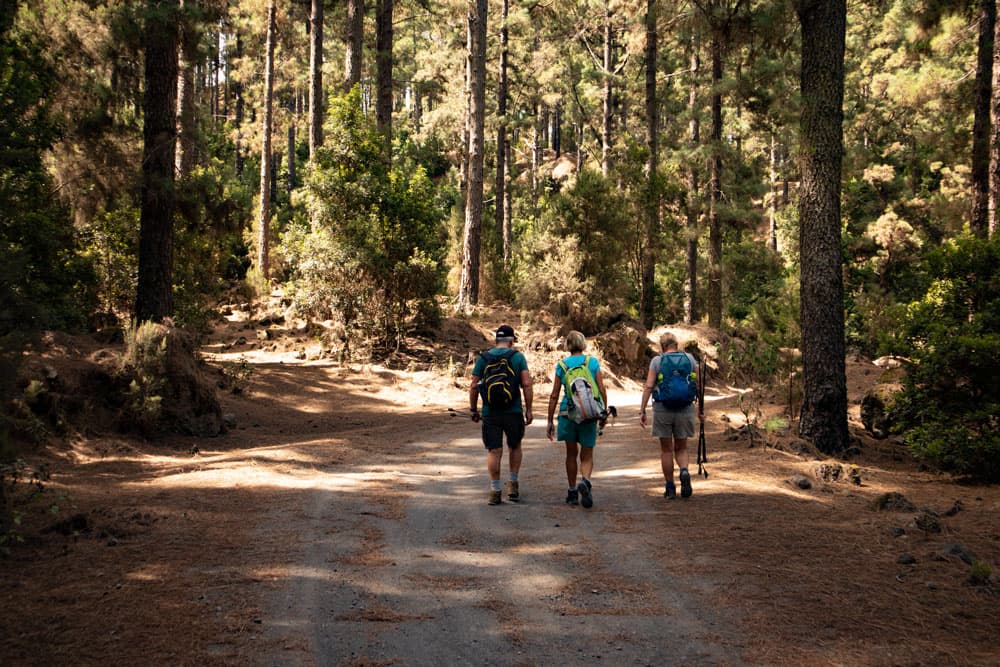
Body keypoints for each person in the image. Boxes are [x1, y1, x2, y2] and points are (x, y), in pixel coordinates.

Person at [470, 325, 534, 505]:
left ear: (496, 340)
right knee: (515, 446)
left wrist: (473, 409)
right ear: (511, 340)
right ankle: (513, 485)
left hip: (491, 413)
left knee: (494, 450)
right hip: (513, 411)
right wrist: (529, 409)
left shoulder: (483, 358)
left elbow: (474, 386)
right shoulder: (518, 357)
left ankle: (495, 490)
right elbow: (527, 384)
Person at [545, 331, 609, 509]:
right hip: (589, 413)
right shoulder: (592, 362)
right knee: (587, 454)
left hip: (568, 412)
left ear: (567, 345)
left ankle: (572, 491)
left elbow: (554, 395)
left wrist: (550, 421)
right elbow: (602, 389)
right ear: (582, 343)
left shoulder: (562, 365)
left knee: (571, 454)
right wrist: (602, 411)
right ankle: (586, 482)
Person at [639, 332, 703, 499]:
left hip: (662, 409)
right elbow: (698, 385)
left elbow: (649, 386)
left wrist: (643, 409)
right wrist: (701, 411)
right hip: (685, 407)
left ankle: (670, 487)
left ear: (662, 346)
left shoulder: (657, 361)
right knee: (681, 447)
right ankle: (684, 470)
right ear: (676, 345)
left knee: (666, 450)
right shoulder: (689, 359)